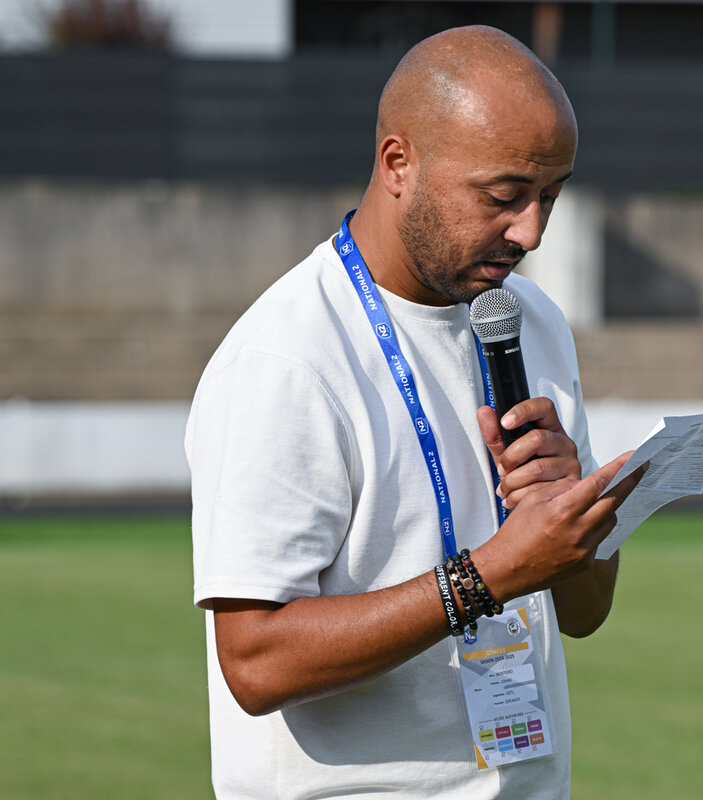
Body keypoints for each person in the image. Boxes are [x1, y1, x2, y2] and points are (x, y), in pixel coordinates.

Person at [185, 25, 641, 799]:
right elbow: (255, 662)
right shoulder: (288, 356)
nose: (530, 232)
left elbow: (584, 612)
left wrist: (574, 520)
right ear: (399, 163)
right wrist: (491, 574)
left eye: (551, 197)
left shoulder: (529, 319)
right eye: (503, 196)